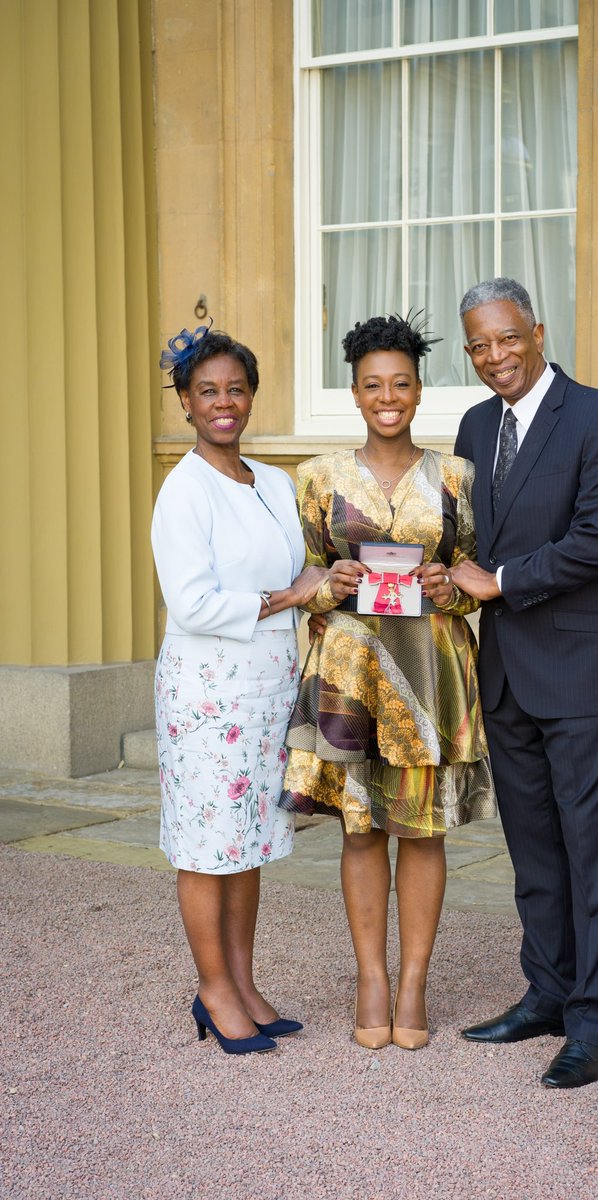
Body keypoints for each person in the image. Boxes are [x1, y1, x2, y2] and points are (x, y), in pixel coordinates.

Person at [450, 278, 598, 1088]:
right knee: (533, 850)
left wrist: (497, 581)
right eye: (479, 346)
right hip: (506, 674)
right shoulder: (472, 425)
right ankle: (548, 991)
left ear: (537, 330)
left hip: (584, 671)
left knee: (592, 850)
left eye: (507, 338)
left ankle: (596, 1022)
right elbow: (463, 537)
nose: (495, 357)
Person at [280, 313, 496, 1050]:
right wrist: (326, 584)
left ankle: (414, 983)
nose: (387, 396)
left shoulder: (459, 477)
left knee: (423, 831)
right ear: (354, 392)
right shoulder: (315, 477)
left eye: (400, 382)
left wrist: (451, 589)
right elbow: (304, 578)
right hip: (350, 671)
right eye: (373, 384)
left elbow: (474, 576)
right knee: (362, 829)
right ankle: (371, 976)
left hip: (431, 670)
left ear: (419, 388)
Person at [152, 324, 324, 1055]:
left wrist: (325, 591)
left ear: (251, 396)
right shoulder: (183, 490)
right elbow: (191, 603)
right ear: (186, 404)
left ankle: (245, 984)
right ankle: (212, 990)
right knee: (205, 846)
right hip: (205, 699)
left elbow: (305, 572)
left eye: (236, 389)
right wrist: (289, 599)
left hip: (265, 692)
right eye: (208, 392)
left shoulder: (275, 482)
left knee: (247, 843)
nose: (224, 403)